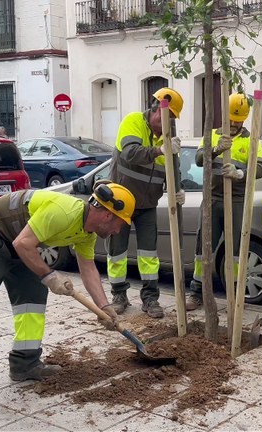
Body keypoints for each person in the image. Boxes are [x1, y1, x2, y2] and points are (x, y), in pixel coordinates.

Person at [0, 184, 134, 410]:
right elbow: (22, 243)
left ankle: (25, 363)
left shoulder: (87, 233)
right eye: (121, 223)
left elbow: (88, 269)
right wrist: (49, 275)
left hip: (21, 243)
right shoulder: (64, 211)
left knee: (32, 300)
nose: (118, 230)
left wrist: (104, 307)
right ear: (108, 215)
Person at [106, 87, 185, 319]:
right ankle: (118, 295)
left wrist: (177, 189)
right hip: (120, 202)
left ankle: (150, 298)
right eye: (167, 116)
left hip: (148, 204)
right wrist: (160, 150)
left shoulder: (167, 138)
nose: (167, 123)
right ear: (157, 110)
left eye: (172, 119)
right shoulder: (133, 122)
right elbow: (130, 153)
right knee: (117, 252)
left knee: (149, 255)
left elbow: (173, 171)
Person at [186, 93, 262, 310]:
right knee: (203, 248)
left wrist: (240, 173)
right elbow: (199, 160)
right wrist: (215, 149)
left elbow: (259, 169)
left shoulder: (251, 140)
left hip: (237, 200)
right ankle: (197, 292)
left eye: (238, 120)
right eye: (231, 119)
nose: (234, 124)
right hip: (212, 199)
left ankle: (236, 294)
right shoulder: (212, 135)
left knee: (236, 250)